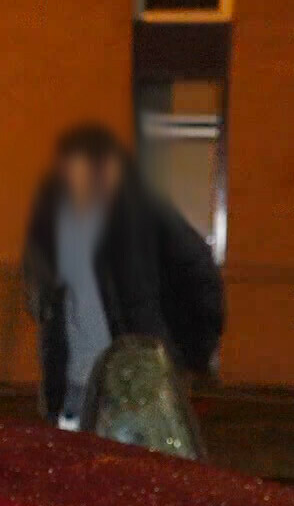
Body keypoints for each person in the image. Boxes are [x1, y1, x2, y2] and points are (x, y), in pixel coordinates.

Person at [19, 123, 223, 445]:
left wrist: (191, 353)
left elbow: (200, 276)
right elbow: (40, 298)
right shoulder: (52, 227)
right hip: (75, 387)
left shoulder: (145, 216)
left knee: (138, 476)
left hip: (138, 384)